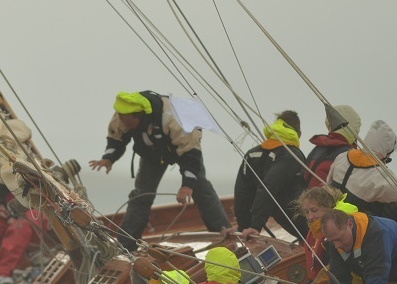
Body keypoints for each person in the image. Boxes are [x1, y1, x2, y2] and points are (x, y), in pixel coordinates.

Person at [89, 91, 229, 250]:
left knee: (200, 188)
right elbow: (117, 137)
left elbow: (190, 153)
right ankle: (126, 244)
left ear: (140, 116)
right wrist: (109, 158)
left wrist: (187, 185)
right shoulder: (124, 114)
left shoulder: (173, 117)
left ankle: (223, 232)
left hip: (184, 151)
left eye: (129, 124)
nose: (126, 126)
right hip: (153, 154)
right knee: (141, 194)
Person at [233, 110, 308, 239]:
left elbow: (242, 193)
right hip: (297, 219)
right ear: (299, 134)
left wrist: (243, 226)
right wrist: (255, 226)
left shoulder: (252, 154)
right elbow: (269, 186)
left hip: (276, 214)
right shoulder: (292, 154)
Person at [305, 104, 360, 188]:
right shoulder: (351, 155)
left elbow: (303, 176)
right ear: (355, 128)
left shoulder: (318, 148)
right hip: (329, 200)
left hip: (305, 198)